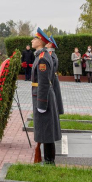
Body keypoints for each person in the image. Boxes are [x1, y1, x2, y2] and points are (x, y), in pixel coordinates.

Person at [31, 28, 61, 165]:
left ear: (41, 42)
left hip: (43, 97)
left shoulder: (42, 58)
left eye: (35, 38)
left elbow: (43, 82)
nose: (32, 40)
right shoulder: (40, 56)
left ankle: (49, 161)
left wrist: (41, 103)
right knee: (45, 129)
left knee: (47, 129)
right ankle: (48, 159)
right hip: (42, 95)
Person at [47, 36, 64, 116]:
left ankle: (55, 113)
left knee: (55, 98)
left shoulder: (52, 56)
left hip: (52, 79)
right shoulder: (50, 54)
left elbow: (52, 70)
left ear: (50, 45)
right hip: (52, 78)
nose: (45, 44)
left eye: (47, 43)